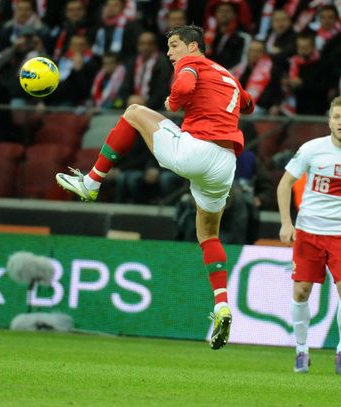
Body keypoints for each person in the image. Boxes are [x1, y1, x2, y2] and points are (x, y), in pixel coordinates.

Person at [56, 24, 254, 350]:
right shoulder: (227, 74)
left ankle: (91, 182)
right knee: (208, 233)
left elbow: (186, 86)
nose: (169, 52)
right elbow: (248, 104)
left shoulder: (191, 64)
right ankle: (221, 304)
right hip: (225, 163)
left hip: (197, 150)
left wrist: (174, 100)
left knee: (134, 112)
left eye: (174, 45)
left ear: (193, 45)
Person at [277, 95, 341, 375]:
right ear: (329, 120)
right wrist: (286, 222)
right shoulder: (312, 149)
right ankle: (301, 351)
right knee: (301, 290)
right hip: (309, 231)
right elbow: (285, 184)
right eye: (337, 117)